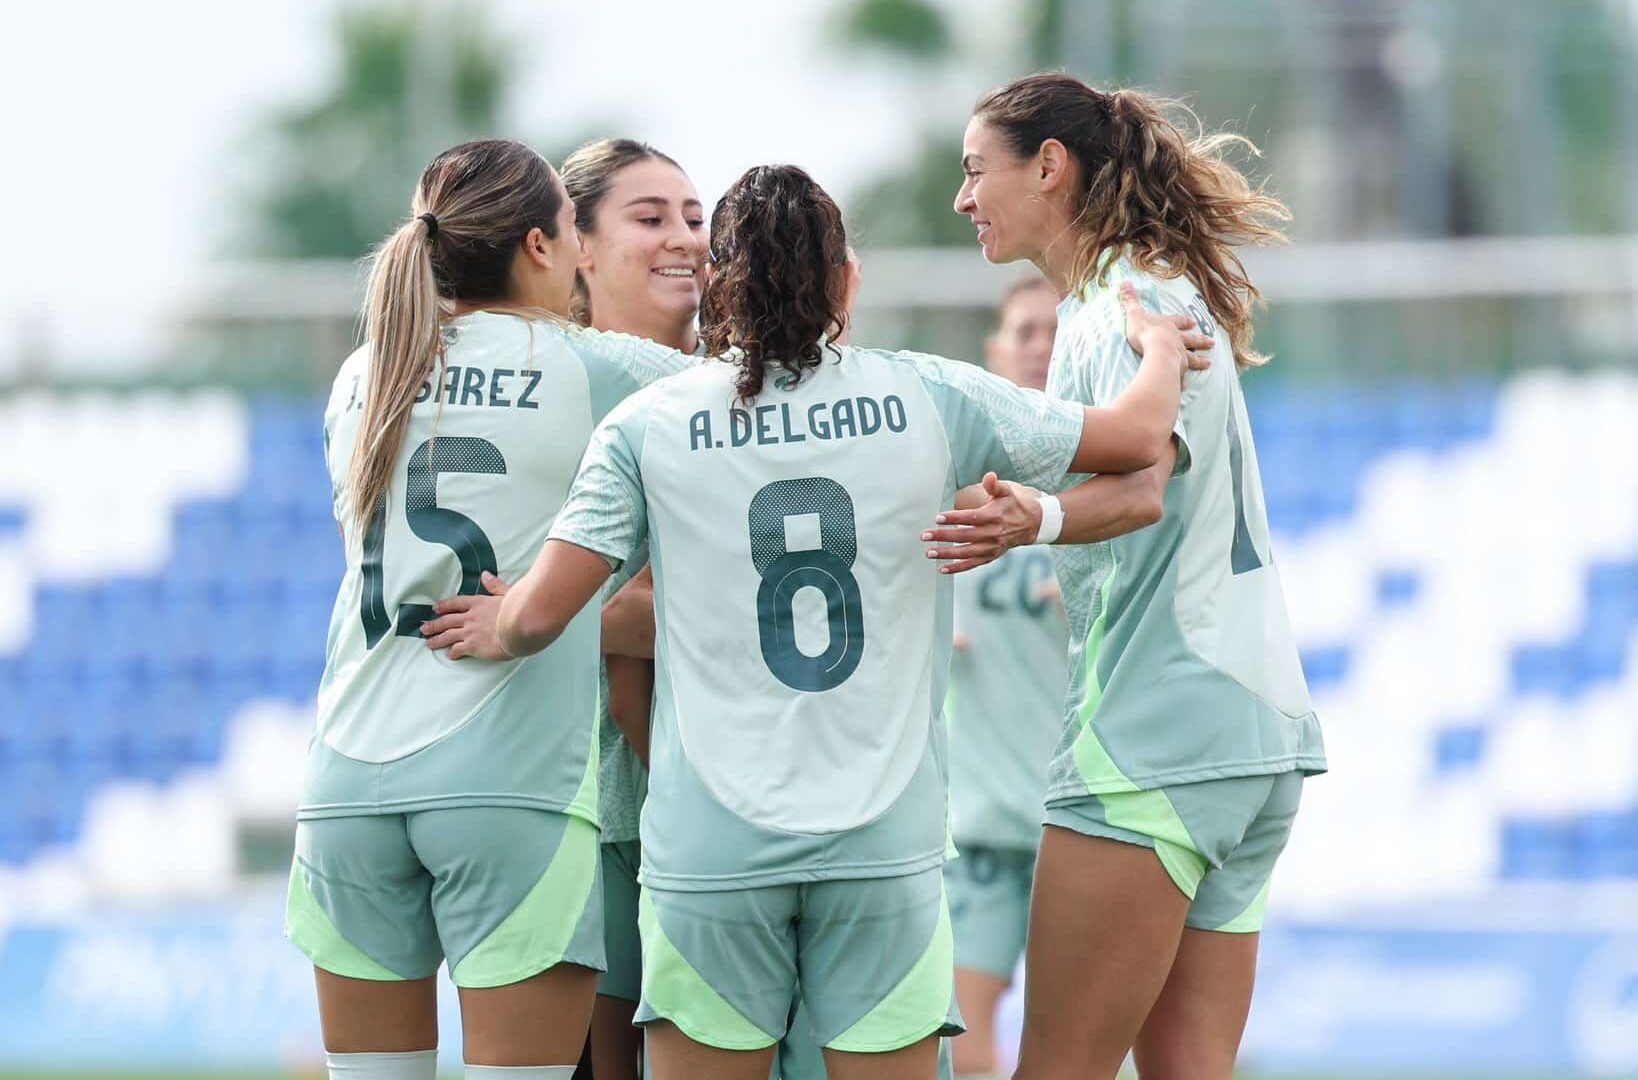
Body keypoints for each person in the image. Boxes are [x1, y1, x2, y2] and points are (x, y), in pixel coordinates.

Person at [428, 163, 1209, 1080]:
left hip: (710, 851)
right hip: (881, 845)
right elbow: (1135, 439)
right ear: (843, 278)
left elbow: (545, 616)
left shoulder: (648, 422)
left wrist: (494, 623)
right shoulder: (930, 396)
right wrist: (1158, 351)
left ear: (719, 281)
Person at [936, 73, 1329, 1080]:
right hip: (1259, 738)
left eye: (978, 170)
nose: (964, 197)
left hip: (1152, 742)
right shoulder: (1164, 293)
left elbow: (1142, 485)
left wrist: (1038, 517)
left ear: (1050, 167)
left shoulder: (1111, 309)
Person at [284, 138, 699, 1080]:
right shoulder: (594, 367)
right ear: (545, 246)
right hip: (505, 788)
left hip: (345, 785)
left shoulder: (363, 371)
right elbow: (761, 392)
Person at [559, 135, 705, 1080]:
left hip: (747, 825)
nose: (684, 239)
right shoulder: (549, 394)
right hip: (588, 816)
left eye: (696, 219)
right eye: (649, 219)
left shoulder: (761, 388)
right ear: (572, 245)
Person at [942, 277, 1066, 1080]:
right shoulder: (949, 483)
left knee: (1082, 1043)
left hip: (1078, 815)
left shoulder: (1120, 487)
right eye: (1023, 329)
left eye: (1056, 330)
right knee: (965, 1031)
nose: (1039, 344)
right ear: (994, 350)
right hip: (981, 818)